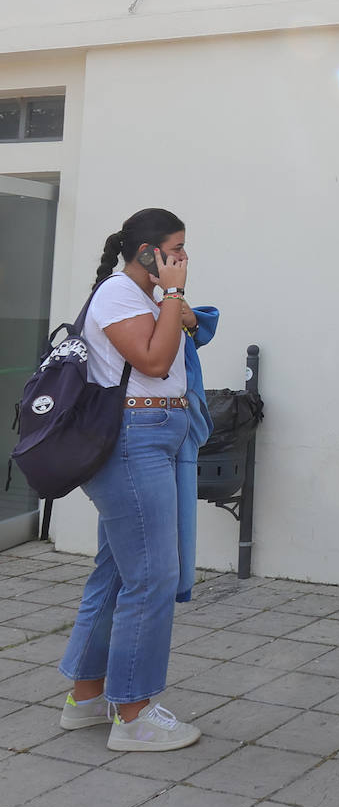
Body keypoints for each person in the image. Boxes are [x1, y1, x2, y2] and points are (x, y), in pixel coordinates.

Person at [57, 208, 204, 752]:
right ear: (148, 254)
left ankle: (87, 698)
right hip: (133, 439)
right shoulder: (119, 294)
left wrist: (173, 300)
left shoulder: (143, 296)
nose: (184, 259)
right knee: (152, 577)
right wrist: (171, 296)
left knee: (117, 573)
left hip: (154, 434)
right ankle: (134, 716)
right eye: (177, 249)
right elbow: (156, 358)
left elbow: (189, 329)